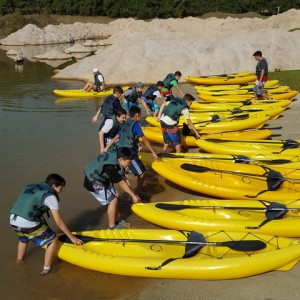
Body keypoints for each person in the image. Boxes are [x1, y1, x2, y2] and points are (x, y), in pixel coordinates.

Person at [9, 174, 83, 275]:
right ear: (53, 186)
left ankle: (19, 261)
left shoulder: (34, 187)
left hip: (13, 219)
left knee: (24, 239)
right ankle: (46, 269)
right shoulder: (51, 197)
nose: (61, 191)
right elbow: (59, 222)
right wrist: (72, 237)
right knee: (52, 239)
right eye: (60, 188)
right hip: (27, 222)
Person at [84, 147, 141, 229]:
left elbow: (122, 178)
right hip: (92, 181)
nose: (129, 165)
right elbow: (121, 183)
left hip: (100, 178)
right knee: (113, 200)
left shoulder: (115, 156)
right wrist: (133, 195)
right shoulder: (110, 167)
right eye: (128, 163)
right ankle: (111, 227)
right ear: (121, 159)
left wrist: (133, 193)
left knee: (115, 197)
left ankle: (116, 221)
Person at [105, 106, 158, 194]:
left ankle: (134, 188)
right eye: (140, 115)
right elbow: (144, 139)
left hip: (120, 150)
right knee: (143, 173)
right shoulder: (136, 124)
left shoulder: (126, 122)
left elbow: (118, 136)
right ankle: (137, 192)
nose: (140, 117)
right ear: (137, 115)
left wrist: (107, 147)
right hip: (129, 153)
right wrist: (153, 152)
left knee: (130, 170)